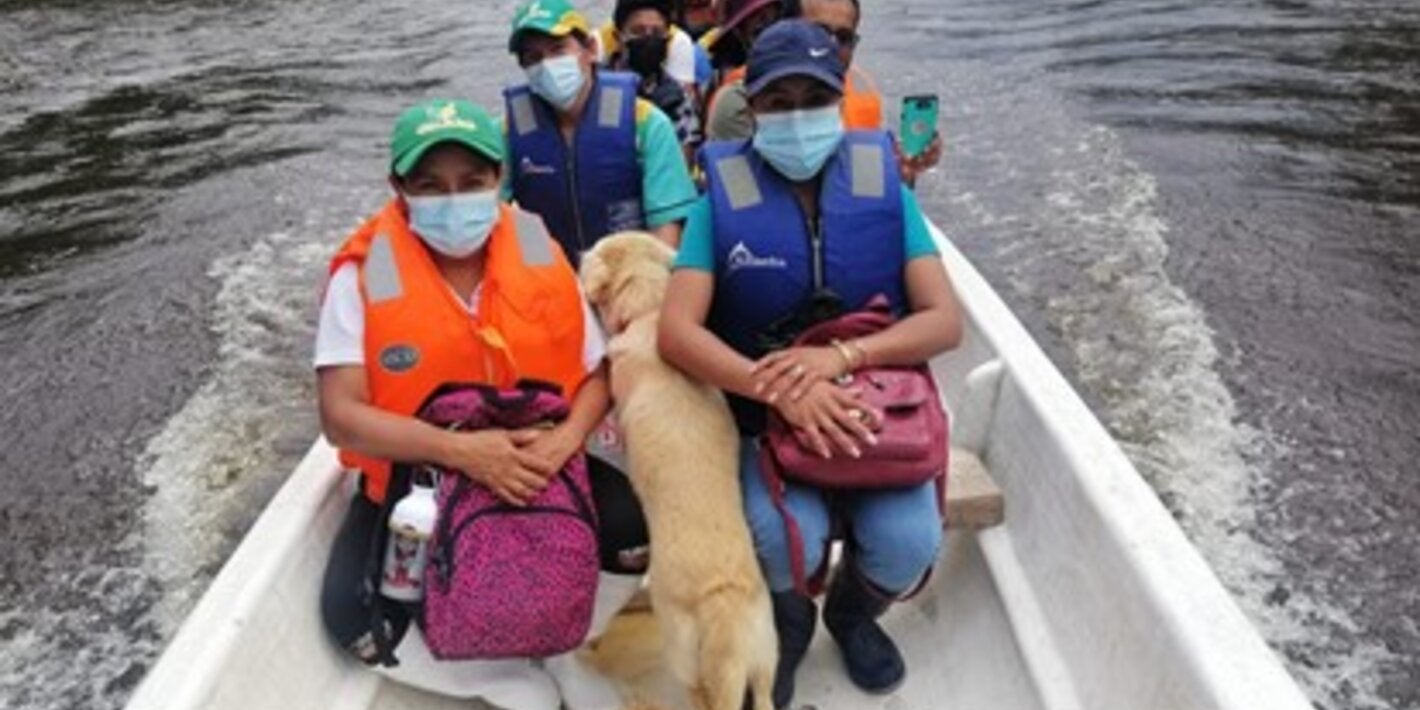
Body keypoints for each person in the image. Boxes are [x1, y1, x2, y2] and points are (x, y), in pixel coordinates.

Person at [657, 21, 964, 708]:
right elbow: (677, 331)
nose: (797, 117)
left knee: (908, 539)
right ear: (752, 109)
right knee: (779, 535)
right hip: (765, 416)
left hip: (877, 404)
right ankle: (790, 625)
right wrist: (781, 389)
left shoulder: (887, 188)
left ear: (839, 100)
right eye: (779, 101)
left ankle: (851, 615)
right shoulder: (720, 201)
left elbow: (944, 320)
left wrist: (844, 358)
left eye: (813, 98)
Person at [316, 99, 646, 710]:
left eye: (472, 183)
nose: (454, 199)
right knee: (353, 619)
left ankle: (562, 645)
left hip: (538, 456)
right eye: (430, 186)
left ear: (499, 181)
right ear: (399, 189)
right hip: (418, 473)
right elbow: (340, 413)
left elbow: (599, 371)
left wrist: (564, 440)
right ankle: (497, 682)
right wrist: (461, 452)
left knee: (632, 539)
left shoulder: (538, 250)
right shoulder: (362, 273)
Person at [504, 0, 698, 261]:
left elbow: (667, 226)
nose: (547, 65)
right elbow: (496, 215)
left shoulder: (646, 122)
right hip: (547, 273)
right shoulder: (506, 132)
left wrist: (640, 285)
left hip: (625, 275)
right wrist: (540, 270)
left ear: (591, 51)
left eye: (558, 50)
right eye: (533, 58)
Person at [800, 0, 943, 183]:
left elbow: (867, 186)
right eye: (818, 33)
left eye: (844, 38)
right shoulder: (755, 97)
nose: (832, 46)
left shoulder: (863, 97)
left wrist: (904, 172)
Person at [601, 0, 703, 160]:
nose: (648, 39)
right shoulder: (594, 86)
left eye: (657, 32)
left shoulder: (677, 96)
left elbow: (682, 162)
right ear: (618, 37)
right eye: (638, 31)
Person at [702, 0, 793, 140]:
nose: (773, 39)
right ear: (741, 34)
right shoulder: (734, 97)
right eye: (760, 31)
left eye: (776, 21)